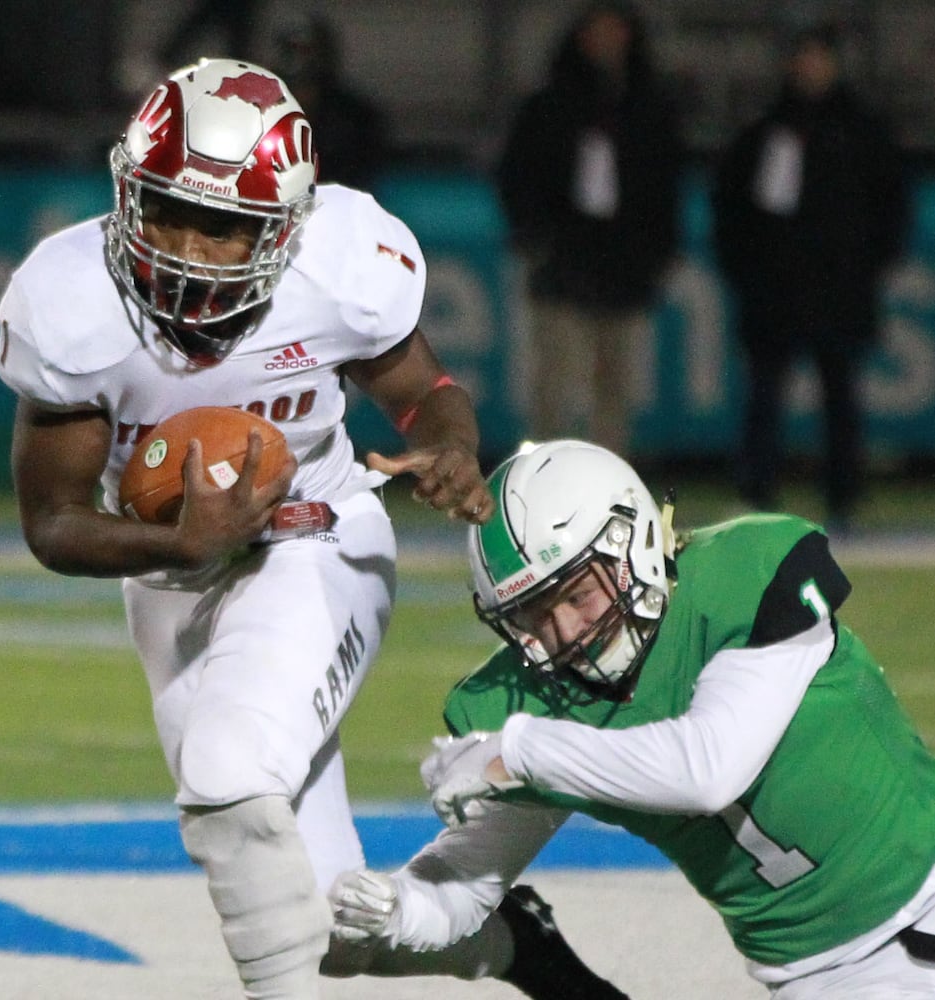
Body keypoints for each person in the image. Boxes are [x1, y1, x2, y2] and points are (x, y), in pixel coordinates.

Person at [0, 57, 613, 1000]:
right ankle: (507, 944)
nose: (189, 249)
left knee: (227, 773)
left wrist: (449, 448)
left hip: (315, 535)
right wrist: (178, 548)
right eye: (165, 210)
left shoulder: (336, 264)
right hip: (170, 582)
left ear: (285, 227)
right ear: (126, 189)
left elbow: (427, 394)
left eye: (222, 225)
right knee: (326, 920)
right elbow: (52, 521)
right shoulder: (74, 299)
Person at [329, 439, 935, 997]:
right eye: (532, 617)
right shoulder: (530, 700)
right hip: (812, 974)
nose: (564, 634)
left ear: (633, 542)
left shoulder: (746, 575)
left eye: (575, 596)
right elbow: (465, 887)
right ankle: (534, 955)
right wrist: (397, 907)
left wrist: (520, 753)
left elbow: (708, 769)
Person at [713, 21, 909, 530]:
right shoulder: (763, 131)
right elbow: (732, 208)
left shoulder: (861, 131)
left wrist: (866, 267)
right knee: (764, 398)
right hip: (774, 292)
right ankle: (757, 496)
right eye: (802, 57)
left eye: (819, 58)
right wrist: (747, 271)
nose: (810, 68)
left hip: (839, 290)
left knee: (840, 396)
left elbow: (890, 205)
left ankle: (843, 498)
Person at [495, 1, 681, 458]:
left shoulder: (648, 109)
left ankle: (611, 487)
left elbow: (665, 185)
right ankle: (540, 483)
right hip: (563, 261)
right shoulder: (548, 106)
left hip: (624, 266)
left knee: (616, 386)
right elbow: (516, 175)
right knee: (555, 385)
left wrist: (655, 252)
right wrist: (536, 236)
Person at [269, 13, 389, 191]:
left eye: (306, 52)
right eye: (291, 51)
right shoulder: (261, 116)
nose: (298, 61)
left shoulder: (355, 121)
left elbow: (361, 183)